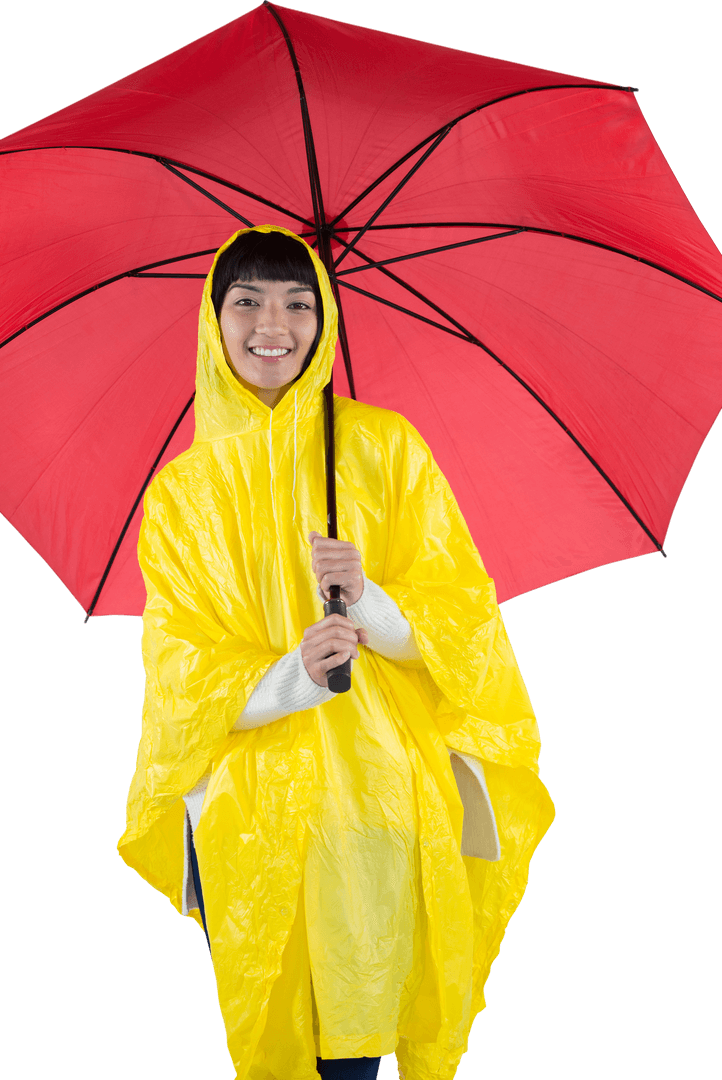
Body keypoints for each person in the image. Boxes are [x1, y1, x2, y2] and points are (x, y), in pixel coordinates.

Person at [118, 225, 555, 1080]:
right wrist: (294, 677)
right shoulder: (180, 496)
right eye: (246, 300)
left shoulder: (385, 448)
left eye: (296, 302)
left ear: (325, 321)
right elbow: (177, 676)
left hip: (377, 795)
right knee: (276, 1018)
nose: (271, 323)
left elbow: (467, 620)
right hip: (248, 808)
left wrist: (374, 604)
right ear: (213, 319)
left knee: (358, 1035)